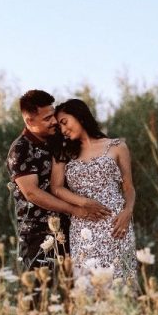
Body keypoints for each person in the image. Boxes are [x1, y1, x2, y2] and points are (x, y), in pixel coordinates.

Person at [6, 90, 112, 274]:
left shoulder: (59, 139)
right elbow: (32, 193)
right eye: (47, 118)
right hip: (38, 236)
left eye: (53, 115)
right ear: (29, 121)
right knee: (41, 295)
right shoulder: (21, 150)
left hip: (72, 231)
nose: (54, 121)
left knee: (73, 294)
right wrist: (77, 210)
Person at [50, 98, 137, 282]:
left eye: (65, 122)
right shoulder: (64, 152)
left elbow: (128, 187)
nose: (63, 130)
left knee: (121, 286)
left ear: (80, 115)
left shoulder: (117, 146)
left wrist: (128, 211)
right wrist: (84, 202)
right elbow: (56, 188)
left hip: (116, 226)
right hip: (84, 228)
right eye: (60, 127)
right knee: (88, 288)